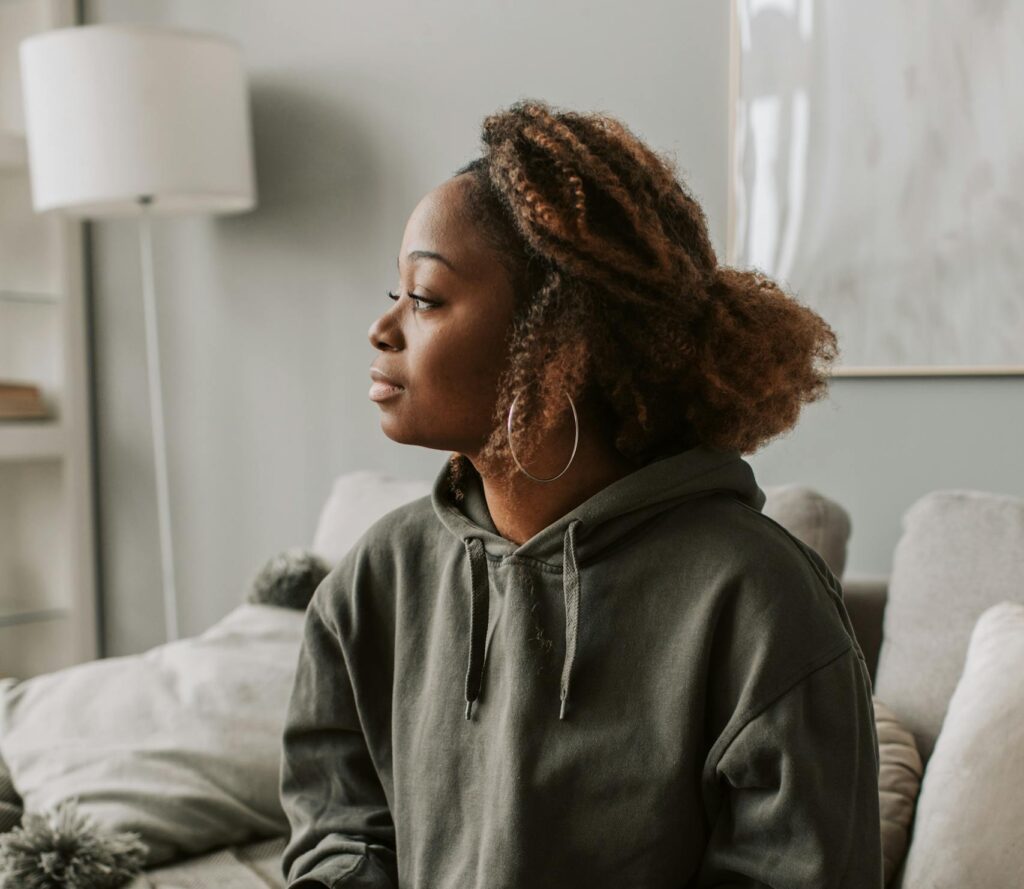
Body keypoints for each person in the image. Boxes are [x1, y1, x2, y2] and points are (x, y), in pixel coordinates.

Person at [278, 98, 883, 889]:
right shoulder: (375, 580)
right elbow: (336, 827)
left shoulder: (761, 602)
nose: (382, 328)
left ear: (558, 341)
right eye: (395, 293)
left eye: (423, 297)